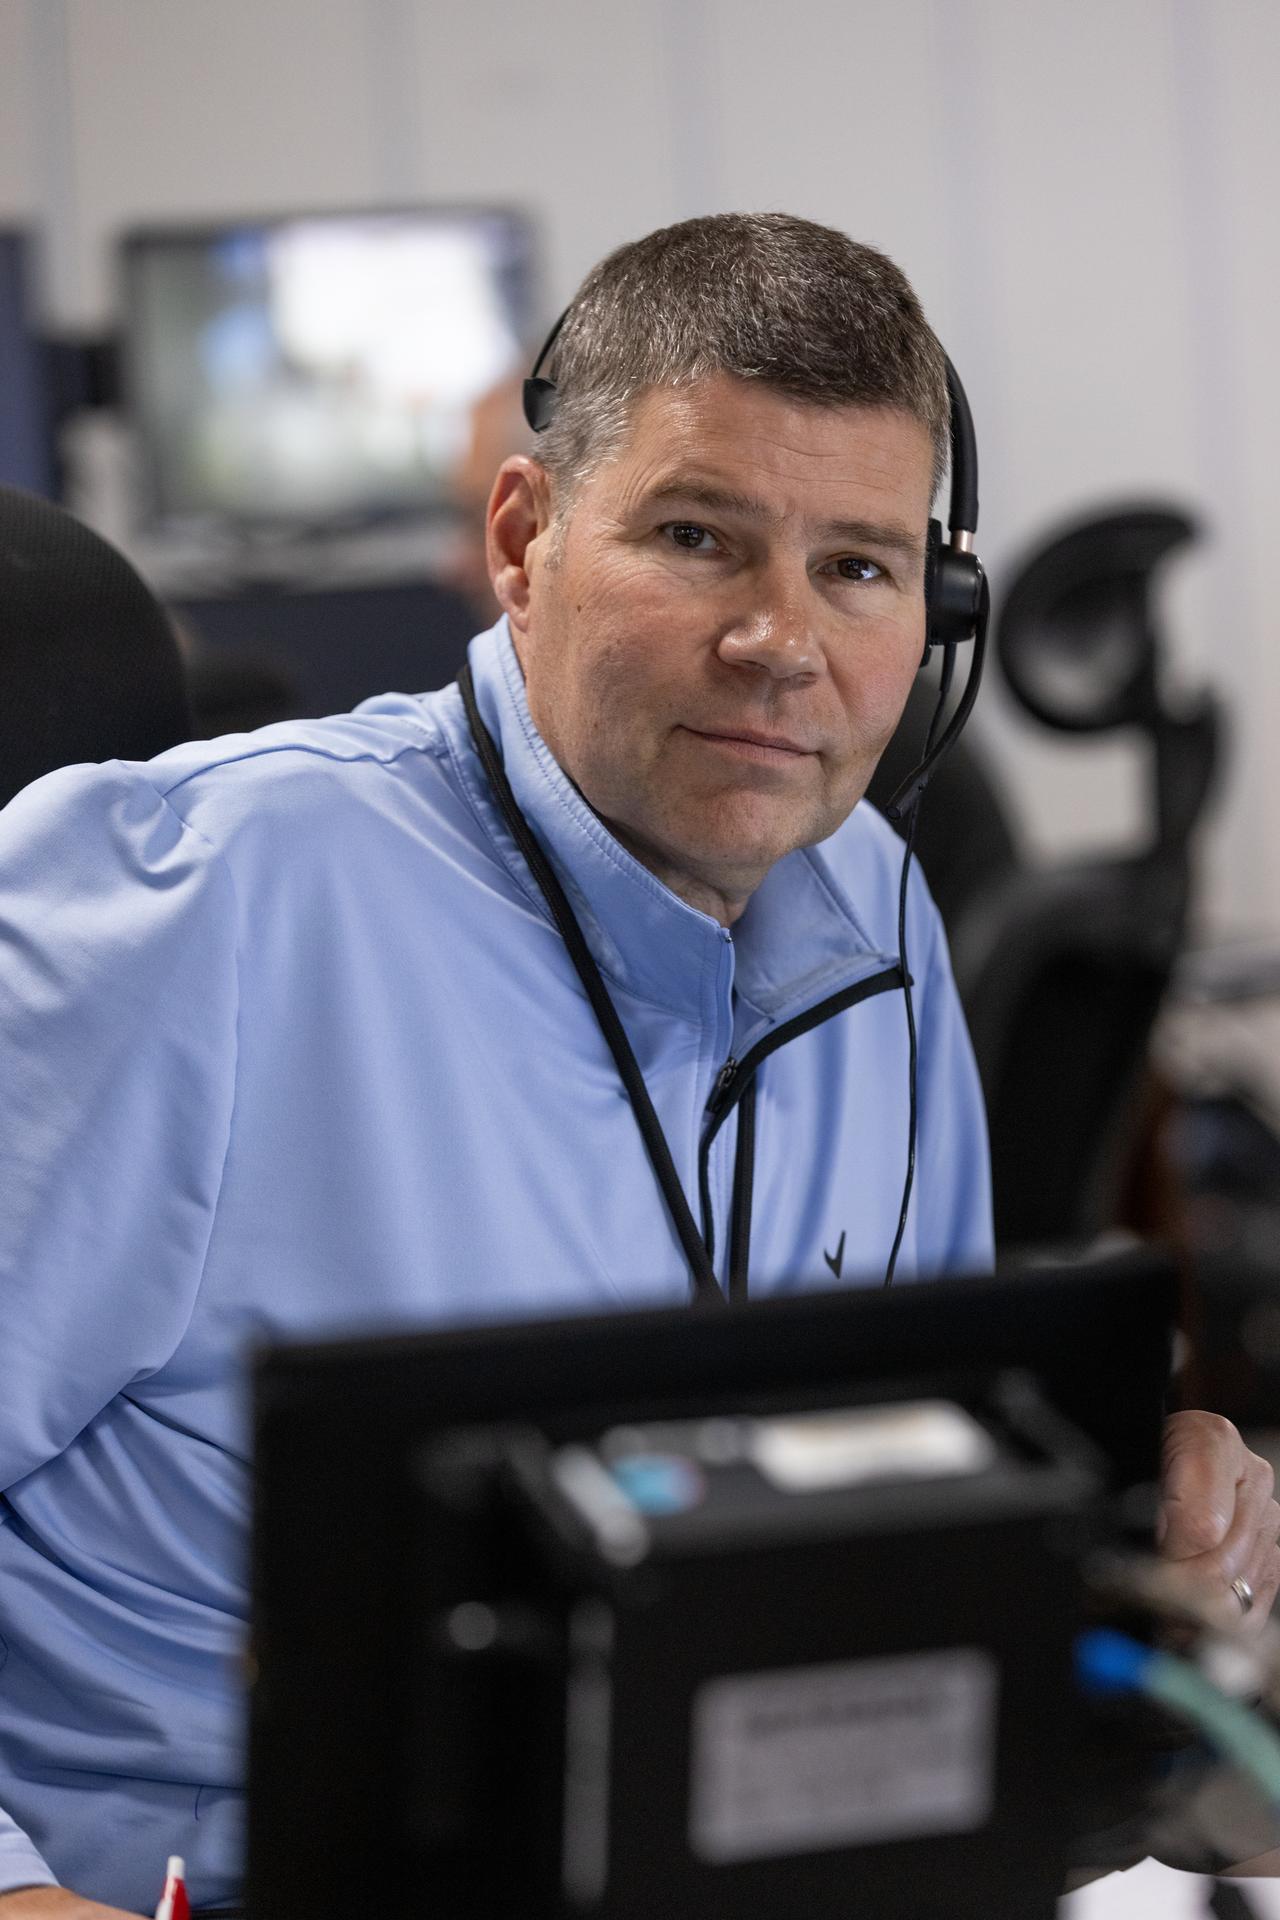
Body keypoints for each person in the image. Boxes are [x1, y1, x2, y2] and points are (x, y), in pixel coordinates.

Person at [0, 214, 1275, 1917]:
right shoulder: (192, 903)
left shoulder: (877, 909)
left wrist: (1133, 1550)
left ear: (936, 610)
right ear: (524, 541)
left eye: (861, 565)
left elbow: (920, 1474)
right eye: (697, 536)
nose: (781, 639)